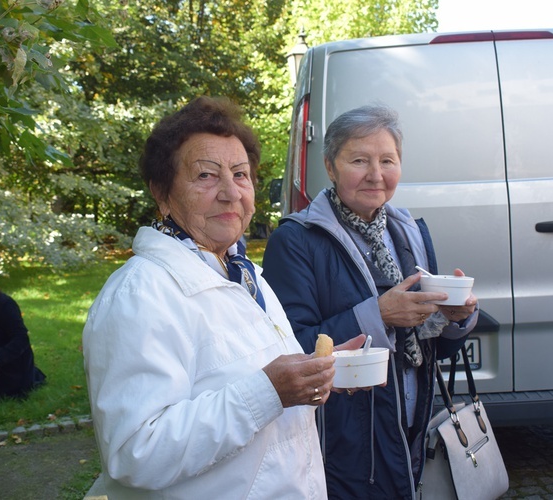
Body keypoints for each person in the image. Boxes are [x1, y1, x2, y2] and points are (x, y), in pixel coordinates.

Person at [82, 96, 363, 499]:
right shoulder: (140, 294)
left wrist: (312, 375)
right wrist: (269, 392)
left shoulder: (246, 276)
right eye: (206, 176)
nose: (231, 193)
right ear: (162, 193)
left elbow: (243, 379)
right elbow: (134, 454)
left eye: (241, 174)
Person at [262, 104, 479, 499]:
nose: (376, 175)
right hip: (342, 442)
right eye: (359, 160)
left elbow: (437, 350)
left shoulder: (410, 232)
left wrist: (455, 317)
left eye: (387, 160)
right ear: (330, 166)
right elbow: (290, 349)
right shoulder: (295, 241)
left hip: (408, 428)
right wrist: (378, 316)